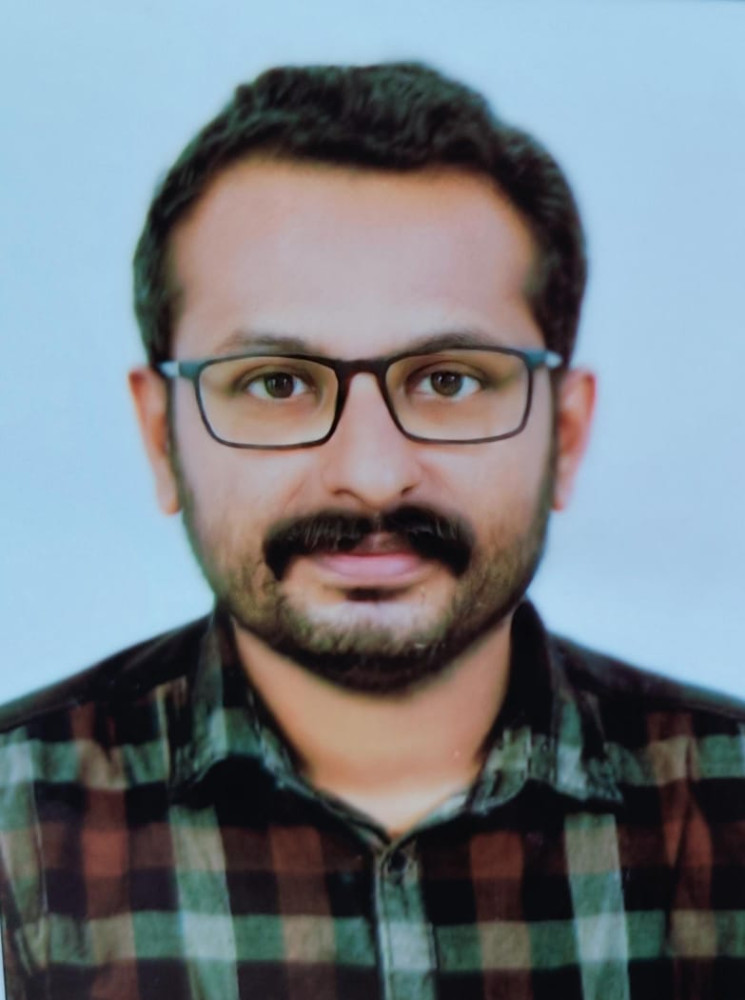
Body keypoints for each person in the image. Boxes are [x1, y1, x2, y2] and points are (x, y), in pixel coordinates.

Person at [0, 61, 743, 1000]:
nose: (371, 473)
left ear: (564, 434)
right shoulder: (17, 824)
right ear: (161, 438)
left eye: (448, 380)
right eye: (275, 383)